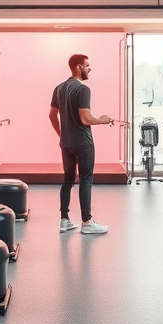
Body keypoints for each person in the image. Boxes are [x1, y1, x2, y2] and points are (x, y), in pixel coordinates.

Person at [49, 54, 113, 235]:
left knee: (67, 180)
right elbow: (85, 119)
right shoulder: (83, 90)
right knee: (86, 180)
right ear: (78, 67)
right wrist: (102, 120)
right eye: (87, 65)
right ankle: (87, 222)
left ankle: (64, 220)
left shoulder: (59, 88)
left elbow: (52, 115)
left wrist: (63, 135)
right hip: (83, 143)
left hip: (66, 143)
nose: (89, 68)